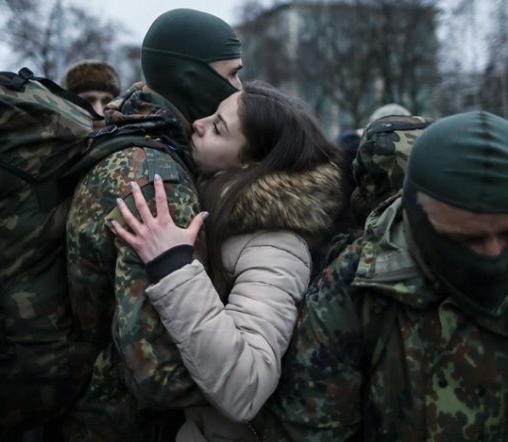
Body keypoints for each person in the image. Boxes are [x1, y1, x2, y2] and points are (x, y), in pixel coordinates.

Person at [108, 80, 347, 441]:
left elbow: (245, 387)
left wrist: (174, 266)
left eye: (218, 128)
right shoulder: (220, 204)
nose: (197, 124)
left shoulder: (278, 246)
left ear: (251, 162)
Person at [258, 110, 508, 441]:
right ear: (415, 212)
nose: (492, 253)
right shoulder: (354, 288)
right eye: (466, 239)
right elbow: (313, 430)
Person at [64, 8, 243, 441]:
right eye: (234, 74)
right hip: (129, 425)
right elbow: (156, 369)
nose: (240, 88)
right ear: (189, 78)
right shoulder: (157, 180)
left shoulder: (131, 134)